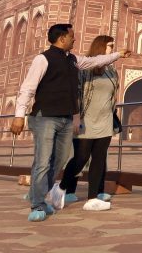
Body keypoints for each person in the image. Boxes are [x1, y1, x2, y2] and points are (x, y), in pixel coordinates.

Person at [10, 24, 130, 222]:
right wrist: (18, 115)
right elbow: (28, 88)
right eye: (72, 37)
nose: (75, 40)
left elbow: (96, 60)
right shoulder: (43, 59)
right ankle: (38, 203)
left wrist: (118, 54)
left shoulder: (74, 60)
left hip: (65, 118)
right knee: (43, 161)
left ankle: (42, 194)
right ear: (62, 38)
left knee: (59, 161)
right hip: (46, 117)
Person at [57, 35, 122, 212]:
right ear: (101, 48)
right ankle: (61, 187)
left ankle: (92, 198)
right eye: (110, 46)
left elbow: (113, 96)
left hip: (105, 120)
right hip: (86, 119)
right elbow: (75, 95)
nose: (112, 49)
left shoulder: (112, 71)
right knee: (80, 158)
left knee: (99, 159)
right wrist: (76, 118)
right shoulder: (84, 69)